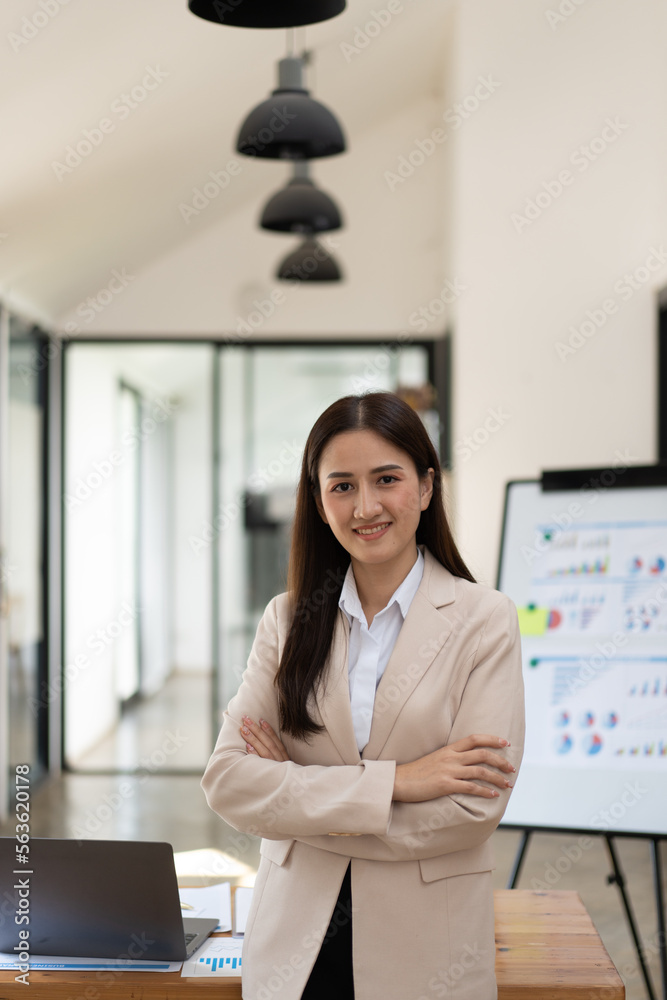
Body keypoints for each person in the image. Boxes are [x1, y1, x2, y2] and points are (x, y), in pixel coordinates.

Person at [201, 391, 525, 1000]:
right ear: (319, 503)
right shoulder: (287, 619)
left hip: (425, 953)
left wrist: (295, 800)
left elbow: (470, 812)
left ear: (426, 488)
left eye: (387, 479)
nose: (366, 506)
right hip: (293, 948)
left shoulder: (485, 620)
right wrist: (399, 782)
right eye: (342, 486)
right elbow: (228, 782)